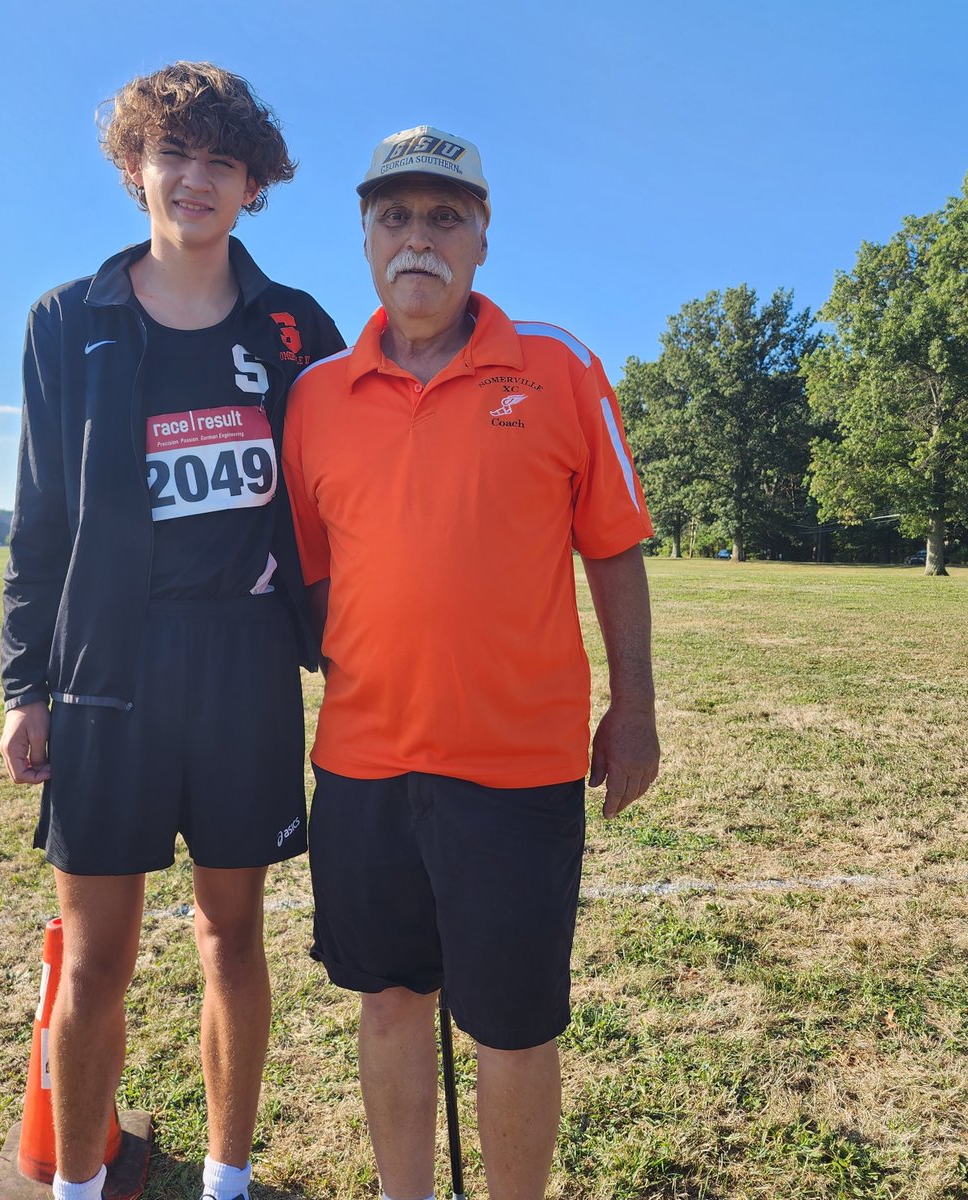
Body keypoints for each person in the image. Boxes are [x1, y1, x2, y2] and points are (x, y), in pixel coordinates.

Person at [281, 125, 659, 1200]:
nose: (420, 239)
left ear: (483, 237)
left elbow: (614, 549)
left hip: (517, 767)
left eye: (446, 217)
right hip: (363, 765)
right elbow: (317, 577)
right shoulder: (315, 397)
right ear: (365, 237)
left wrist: (635, 709)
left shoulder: (560, 367)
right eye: (395, 217)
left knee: (513, 1025)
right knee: (390, 1002)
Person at [0, 62, 343, 1200]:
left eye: (222, 161)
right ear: (134, 166)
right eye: (173, 154)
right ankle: (75, 1187)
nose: (195, 179)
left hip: (245, 665)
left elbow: (344, 496)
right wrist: (23, 685)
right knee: (96, 959)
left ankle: (227, 1180)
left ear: (253, 185)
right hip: (108, 672)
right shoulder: (68, 320)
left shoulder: (297, 327)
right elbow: (40, 518)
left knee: (231, 936)